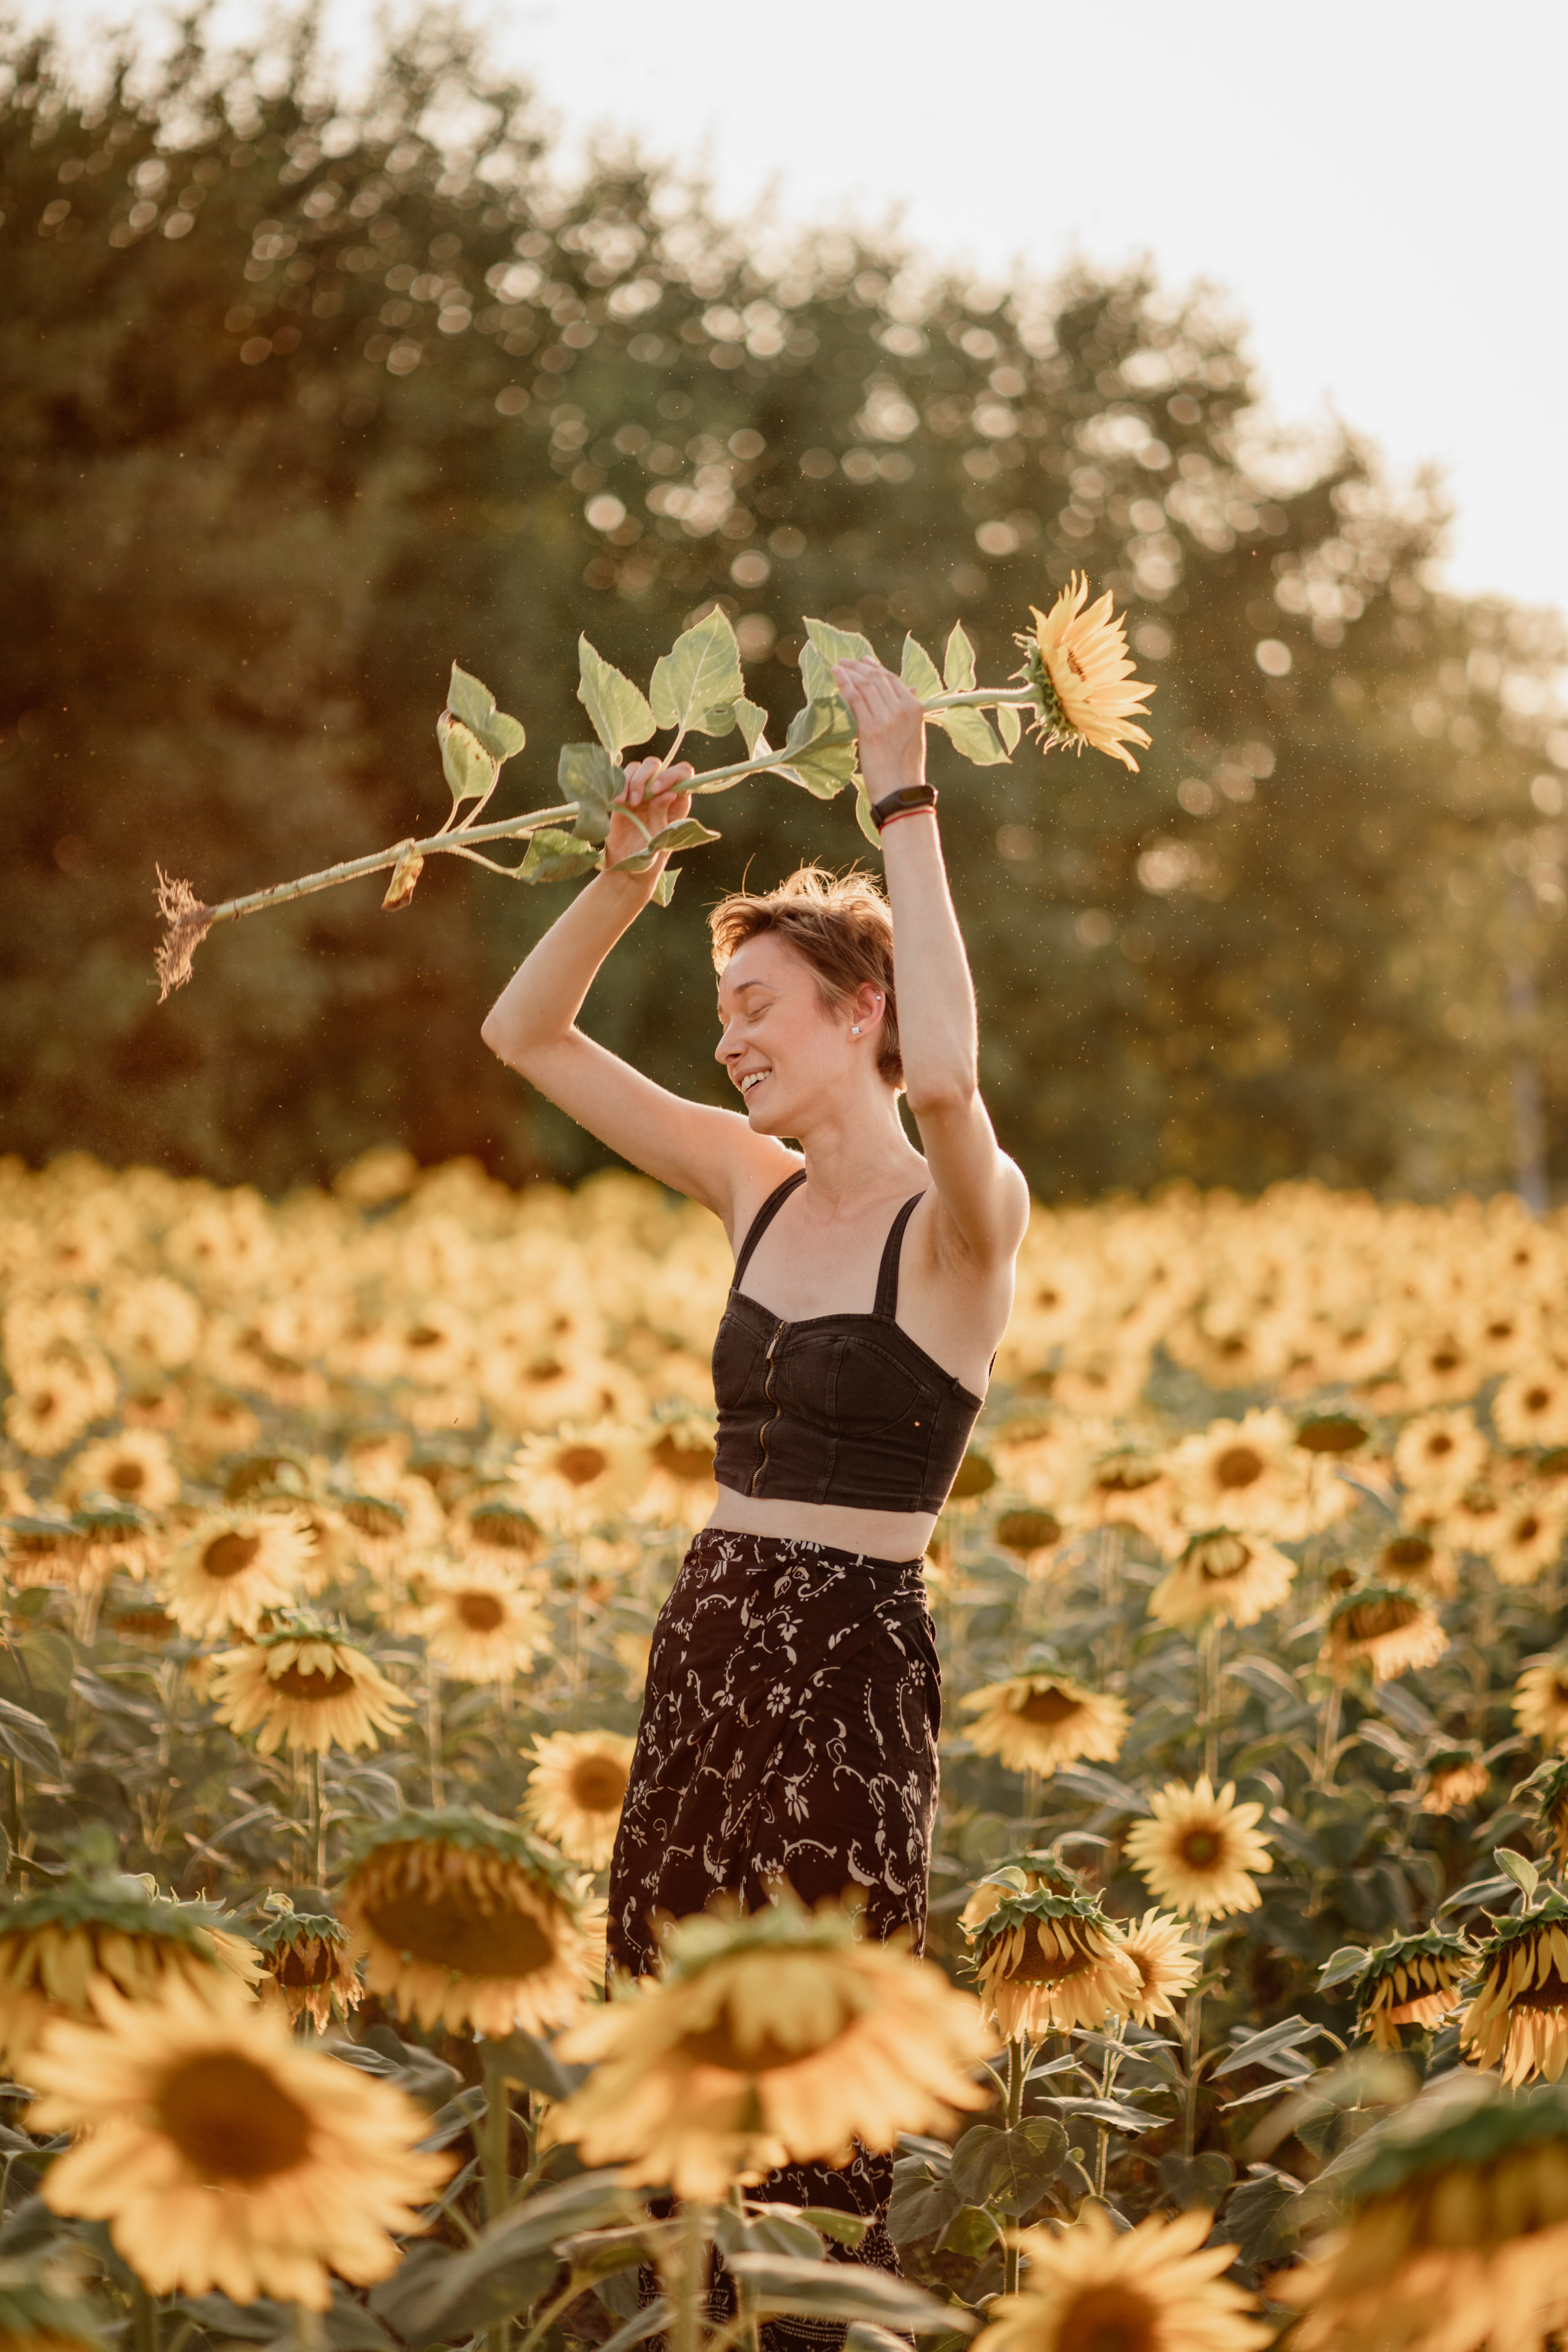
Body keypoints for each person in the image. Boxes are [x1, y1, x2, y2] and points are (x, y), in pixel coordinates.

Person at [480, 653, 1029, 2326]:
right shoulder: (750, 1185)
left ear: (853, 1013)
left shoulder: (966, 1220)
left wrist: (904, 796)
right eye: (724, 1021)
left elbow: (946, 1085)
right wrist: (622, 876)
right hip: (709, 1644)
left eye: (759, 1012)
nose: (730, 1049)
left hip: (850, 1678)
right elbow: (525, 1033)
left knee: (806, 2085)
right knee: (666, 2061)